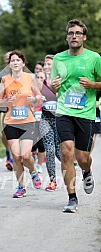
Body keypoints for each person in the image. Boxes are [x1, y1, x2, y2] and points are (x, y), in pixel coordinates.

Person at [51, 19, 101, 213]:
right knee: (66, 151)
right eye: (71, 33)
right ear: (66, 37)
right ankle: (72, 198)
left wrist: (93, 85)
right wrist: (53, 86)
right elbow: (53, 83)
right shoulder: (58, 59)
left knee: (82, 157)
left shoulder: (94, 58)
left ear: (84, 37)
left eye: (78, 33)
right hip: (64, 110)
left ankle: (86, 171)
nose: (74, 36)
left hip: (85, 112)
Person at [0, 50, 42, 198]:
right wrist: (5, 102)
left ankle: (33, 171)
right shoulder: (5, 80)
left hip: (28, 121)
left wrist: (33, 100)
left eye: (17, 60)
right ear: (9, 64)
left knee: (26, 155)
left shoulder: (30, 78)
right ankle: (21, 187)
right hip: (11, 122)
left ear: (23, 63)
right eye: (12, 60)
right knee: (16, 157)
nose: (15, 63)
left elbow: (39, 96)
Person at [40, 55, 61, 191]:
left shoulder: (61, 81)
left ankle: (72, 167)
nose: (47, 67)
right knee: (50, 150)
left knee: (60, 152)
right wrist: (37, 99)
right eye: (46, 64)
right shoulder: (40, 82)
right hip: (45, 119)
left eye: (50, 64)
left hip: (60, 120)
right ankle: (52, 180)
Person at [0, 51, 14, 171]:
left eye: (10, 58)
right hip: (3, 108)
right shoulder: (0, 74)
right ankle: (9, 156)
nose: (8, 60)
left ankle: (15, 156)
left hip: (18, 108)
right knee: (5, 134)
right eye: (6, 58)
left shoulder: (20, 73)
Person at [31, 71, 46, 174]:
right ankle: (33, 160)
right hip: (32, 120)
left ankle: (39, 165)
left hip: (43, 121)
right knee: (32, 145)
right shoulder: (31, 90)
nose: (39, 79)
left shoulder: (48, 91)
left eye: (42, 77)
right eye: (38, 77)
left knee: (42, 144)